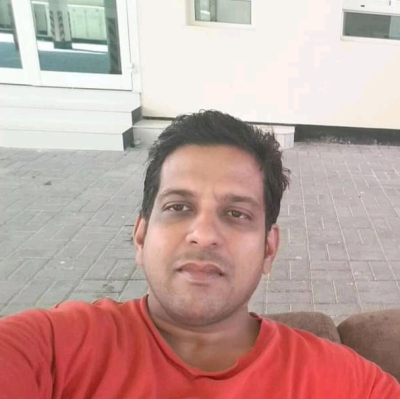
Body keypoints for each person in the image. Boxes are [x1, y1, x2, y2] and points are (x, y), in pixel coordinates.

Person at [0, 110, 399, 398]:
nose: (204, 235)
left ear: (268, 248)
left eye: (236, 213)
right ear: (141, 236)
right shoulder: (51, 350)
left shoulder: (347, 383)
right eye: (178, 207)